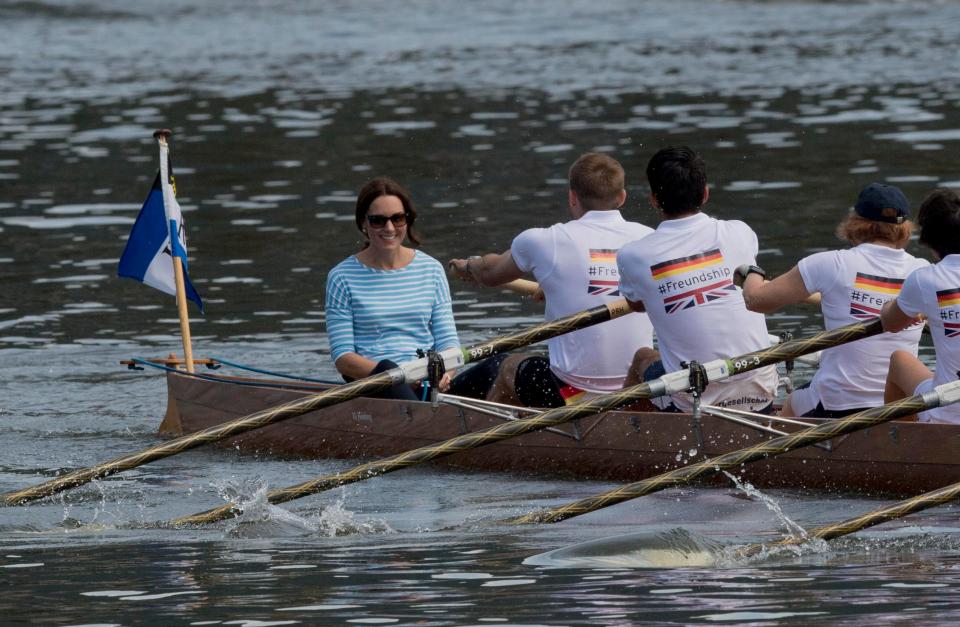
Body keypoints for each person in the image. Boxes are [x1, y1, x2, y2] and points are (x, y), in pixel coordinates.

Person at [448, 152, 655, 407]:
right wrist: (554, 289)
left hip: (572, 391)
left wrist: (468, 266)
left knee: (508, 369)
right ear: (622, 197)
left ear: (572, 197)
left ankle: (484, 435)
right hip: (638, 386)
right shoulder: (650, 239)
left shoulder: (545, 241)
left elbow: (490, 273)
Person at [739, 183, 928, 417]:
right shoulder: (923, 272)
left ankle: (783, 453)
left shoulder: (830, 264)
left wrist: (751, 272)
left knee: (794, 400)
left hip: (838, 405)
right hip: (899, 405)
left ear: (855, 223)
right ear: (905, 228)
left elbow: (756, 300)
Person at [617, 145, 778, 413]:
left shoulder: (633, 255)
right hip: (762, 391)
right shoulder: (740, 232)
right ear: (705, 193)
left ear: (654, 200)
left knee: (642, 358)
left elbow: (636, 305)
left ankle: (628, 439)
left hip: (692, 400)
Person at [325, 176, 461, 400]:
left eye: (397, 219)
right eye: (378, 220)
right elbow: (343, 357)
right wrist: (403, 376)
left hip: (429, 381)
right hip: (377, 382)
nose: (389, 228)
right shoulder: (341, 277)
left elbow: (448, 343)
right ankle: (429, 427)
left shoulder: (432, 269)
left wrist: (444, 374)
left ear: (407, 221)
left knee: (500, 367)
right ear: (363, 224)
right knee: (387, 366)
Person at [881, 188, 960, 424]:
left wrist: (891, 305)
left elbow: (890, 323)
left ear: (931, 241)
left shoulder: (926, 279)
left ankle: (904, 449)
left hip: (949, 413)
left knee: (899, 360)